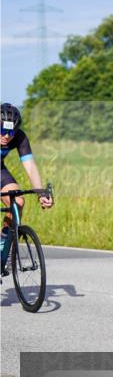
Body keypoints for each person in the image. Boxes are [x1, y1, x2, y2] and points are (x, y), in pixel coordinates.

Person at [1, 103, 53, 272]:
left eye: (10, 132)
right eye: (2, 131)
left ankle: (3, 244)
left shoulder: (20, 137)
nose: (6, 136)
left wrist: (40, 193)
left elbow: (29, 166)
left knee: (18, 202)